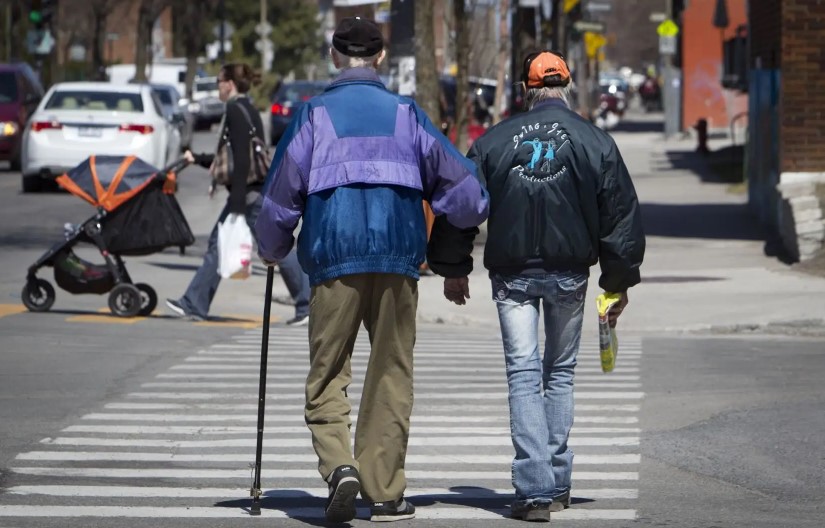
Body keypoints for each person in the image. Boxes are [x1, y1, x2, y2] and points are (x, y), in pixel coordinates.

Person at [254, 16, 489, 523]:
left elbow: (279, 199)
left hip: (334, 262)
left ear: (334, 55)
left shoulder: (313, 116)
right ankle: (384, 492)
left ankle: (340, 468)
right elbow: (468, 198)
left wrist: (272, 249)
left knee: (327, 376)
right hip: (398, 260)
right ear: (381, 57)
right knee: (391, 375)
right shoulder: (407, 115)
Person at [428, 50, 645, 522]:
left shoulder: (493, 142)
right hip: (570, 272)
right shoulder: (595, 142)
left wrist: (453, 265)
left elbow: (461, 203)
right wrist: (618, 280)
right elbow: (620, 214)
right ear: (565, 86)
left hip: (512, 273)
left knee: (524, 375)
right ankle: (558, 480)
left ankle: (534, 490)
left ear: (528, 89)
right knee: (560, 372)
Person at [165, 63, 265, 321]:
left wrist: (238, 203)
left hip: (247, 194)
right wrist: (196, 158)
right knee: (269, 248)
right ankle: (194, 303)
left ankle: (194, 303)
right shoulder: (249, 108)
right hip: (253, 190)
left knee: (270, 251)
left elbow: (241, 159)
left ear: (229, 84)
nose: (217, 87)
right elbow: (231, 158)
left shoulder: (234, 109)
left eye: (220, 81)